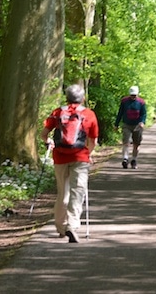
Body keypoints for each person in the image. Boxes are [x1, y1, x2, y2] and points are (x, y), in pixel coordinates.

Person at [41, 84, 99, 243]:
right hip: (80, 158)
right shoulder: (89, 114)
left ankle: (61, 227)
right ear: (83, 98)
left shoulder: (58, 112)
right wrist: (89, 153)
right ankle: (72, 225)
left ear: (66, 97)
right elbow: (93, 140)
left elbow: (44, 134)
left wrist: (49, 142)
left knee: (63, 193)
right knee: (77, 192)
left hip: (60, 158)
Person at [114, 85, 147, 169]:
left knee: (136, 144)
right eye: (132, 95)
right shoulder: (124, 101)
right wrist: (116, 124)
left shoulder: (141, 102)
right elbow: (120, 113)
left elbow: (143, 114)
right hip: (126, 124)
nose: (133, 97)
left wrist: (142, 122)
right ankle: (125, 159)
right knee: (126, 142)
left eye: (135, 95)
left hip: (137, 125)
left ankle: (134, 160)